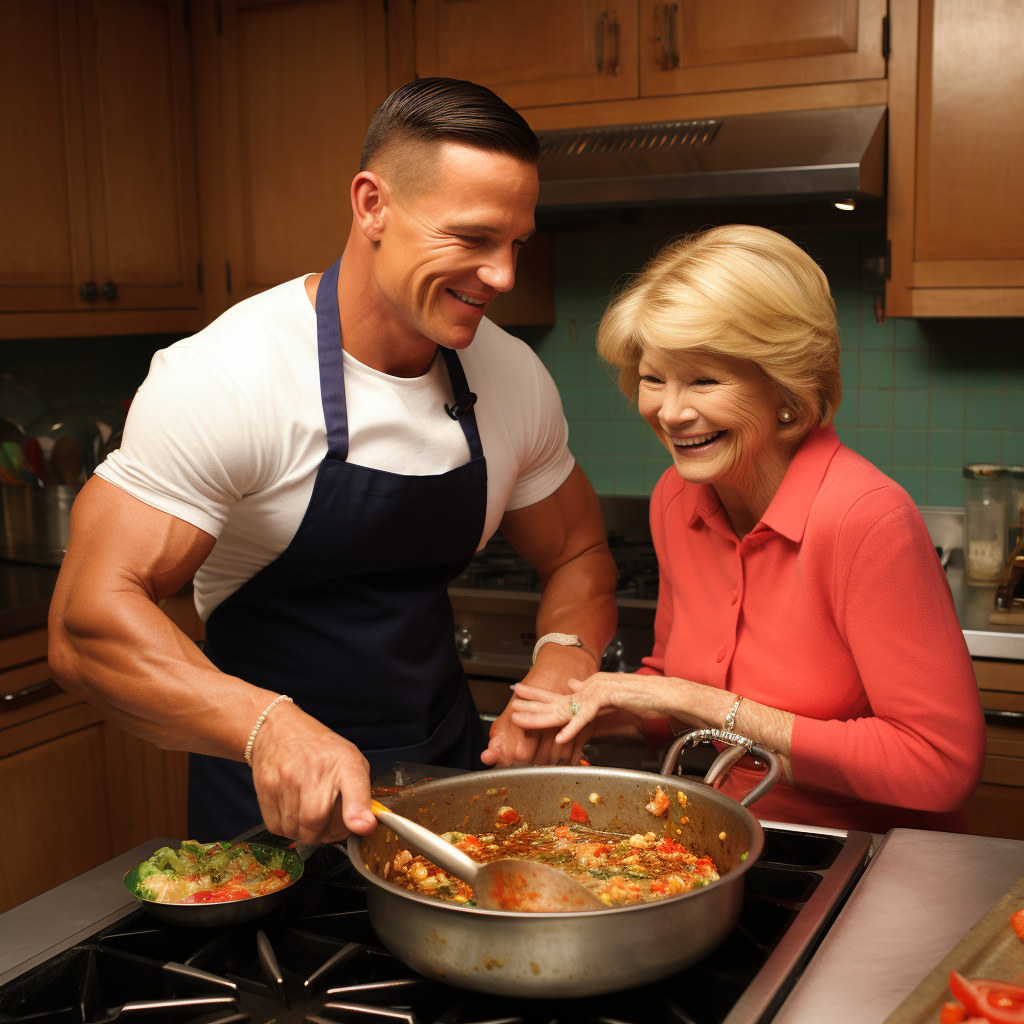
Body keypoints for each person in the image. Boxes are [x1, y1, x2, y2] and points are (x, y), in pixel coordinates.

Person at [47, 78, 617, 845]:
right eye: (474, 238)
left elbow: (579, 549)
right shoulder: (225, 377)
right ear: (371, 204)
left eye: (517, 243)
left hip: (450, 780)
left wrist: (560, 664)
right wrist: (267, 726)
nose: (505, 276)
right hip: (267, 805)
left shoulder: (512, 378)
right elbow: (87, 623)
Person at [509, 224, 986, 834]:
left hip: (865, 865)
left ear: (785, 385)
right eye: (654, 378)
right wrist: (574, 715)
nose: (671, 412)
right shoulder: (675, 497)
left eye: (704, 380)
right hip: (717, 843)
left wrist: (698, 703)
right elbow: (672, 691)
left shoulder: (866, 518)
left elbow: (940, 767)